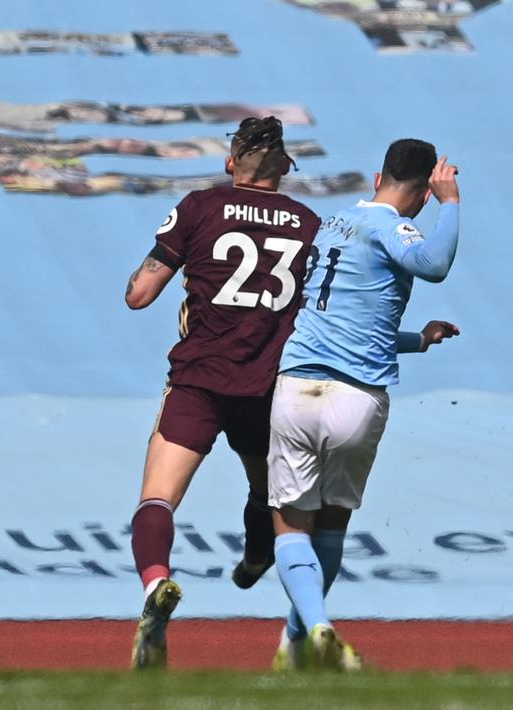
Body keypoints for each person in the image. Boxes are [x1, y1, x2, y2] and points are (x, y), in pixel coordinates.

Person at [124, 116, 322, 670]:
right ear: (282, 168)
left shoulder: (199, 207)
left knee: (157, 497)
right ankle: (260, 559)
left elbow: (139, 294)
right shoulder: (308, 222)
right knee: (269, 495)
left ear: (230, 162)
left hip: (199, 378)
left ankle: (155, 584)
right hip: (266, 386)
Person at [267, 141, 460, 671]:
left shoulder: (332, 225)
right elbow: (435, 264)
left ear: (377, 174)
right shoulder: (394, 226)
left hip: (297, 388)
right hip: (356, 397)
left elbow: (352, 323)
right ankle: (308, 633)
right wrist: (453, 203)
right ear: (422, 192)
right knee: (329, 526)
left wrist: (418, 340)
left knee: (289, 525)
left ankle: (304, 635)